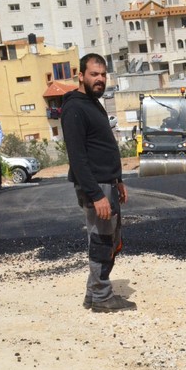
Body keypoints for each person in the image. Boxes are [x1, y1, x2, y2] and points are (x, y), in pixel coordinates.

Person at [61, 53, 136, 313]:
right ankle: (102, 297)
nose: (100, 79)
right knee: (102, 241)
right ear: (80, 76)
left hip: (108, 183)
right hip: (97, 187)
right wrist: (97, 195)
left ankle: (93, 296)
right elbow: (78, 158)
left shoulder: (93, 104)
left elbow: (102, 148)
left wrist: (118, 181)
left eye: (103, 75)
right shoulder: (74, 108)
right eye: (94, 74)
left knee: (110, 239)